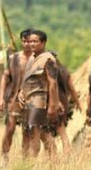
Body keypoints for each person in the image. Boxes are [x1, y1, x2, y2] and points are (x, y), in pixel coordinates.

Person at [17, 30, 61, 158]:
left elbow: (53, 83)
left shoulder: (48, 59)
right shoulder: (32, 58)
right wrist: (21, 92)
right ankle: (54, 160)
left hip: (39, 101)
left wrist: (53, 106)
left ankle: (31, 165)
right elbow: (27, 79)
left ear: (43, 42)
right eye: (30, 41)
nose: (31, 44)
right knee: (40, 133)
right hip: (28, 102)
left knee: (34, 133)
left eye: (35, 41)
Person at [0, 29, 34, 164]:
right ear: (21, 41)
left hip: (31, 99)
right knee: (10, 128)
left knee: (27, 130)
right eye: (24, 41)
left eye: (30, 41)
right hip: (13, 98)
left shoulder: (37, 58)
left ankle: (25, 161)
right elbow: (5, 78)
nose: (27, 44)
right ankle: (4, 157)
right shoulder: (14, 58)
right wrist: (1, 98)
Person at [52, 51, 82, 156]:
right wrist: (78, 103)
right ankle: (67, 156)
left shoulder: (49, 72)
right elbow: (72, 90)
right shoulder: (64, 71)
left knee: (47, 134)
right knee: (62, 132)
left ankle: (52, 159)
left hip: (52, 104)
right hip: (63, 103)